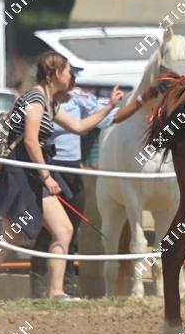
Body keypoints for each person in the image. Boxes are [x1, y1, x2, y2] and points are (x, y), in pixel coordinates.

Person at [0, 51, 125, 300]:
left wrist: (110, 107)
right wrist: (47, 176)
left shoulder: (49, 102)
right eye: (68, 71)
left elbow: (79, 127)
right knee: (29, 234)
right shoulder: (36, 99)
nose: (71, 77)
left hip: (29, 174)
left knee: (38, 233)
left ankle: (52, 291)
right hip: (23, 174)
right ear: (55, 73)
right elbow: (30, 140)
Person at [29, 76, 160, 297]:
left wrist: (138, 101)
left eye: (73, 78)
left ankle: (66, 286)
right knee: (47, 231)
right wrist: (45, 175)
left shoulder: (81, 99)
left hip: (72, 170)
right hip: (49, 167)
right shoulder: (39, 101)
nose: (72, 82)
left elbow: (111, 117)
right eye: (69, 76)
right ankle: (40, 287)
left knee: (70, 230)